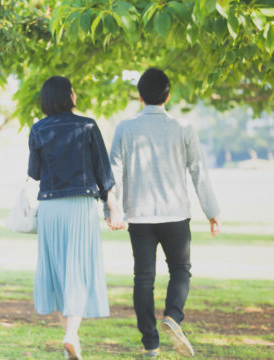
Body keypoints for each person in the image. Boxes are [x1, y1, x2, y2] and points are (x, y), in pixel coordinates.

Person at [104, 68, 221, 358]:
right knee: (180, 270)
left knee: (143, 279)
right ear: (168, 96)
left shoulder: (125, 128)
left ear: (140, 97)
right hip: (175, 215)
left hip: (140, 217)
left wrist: (112, 209)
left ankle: (150, 344)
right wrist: (212, 211)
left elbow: (113, 174)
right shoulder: (183, 128)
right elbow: (199, 172)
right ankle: (173, 317)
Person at [28, 76, 120, 360]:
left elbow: (35, 174)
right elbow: (104, 173)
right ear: (68, 95)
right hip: (80, 206)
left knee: (56, 274)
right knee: (77, 271)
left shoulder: (38, 129)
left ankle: (72, 341)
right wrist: (113, 209)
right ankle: (71, 335)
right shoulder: (88, 125)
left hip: (50, 209)